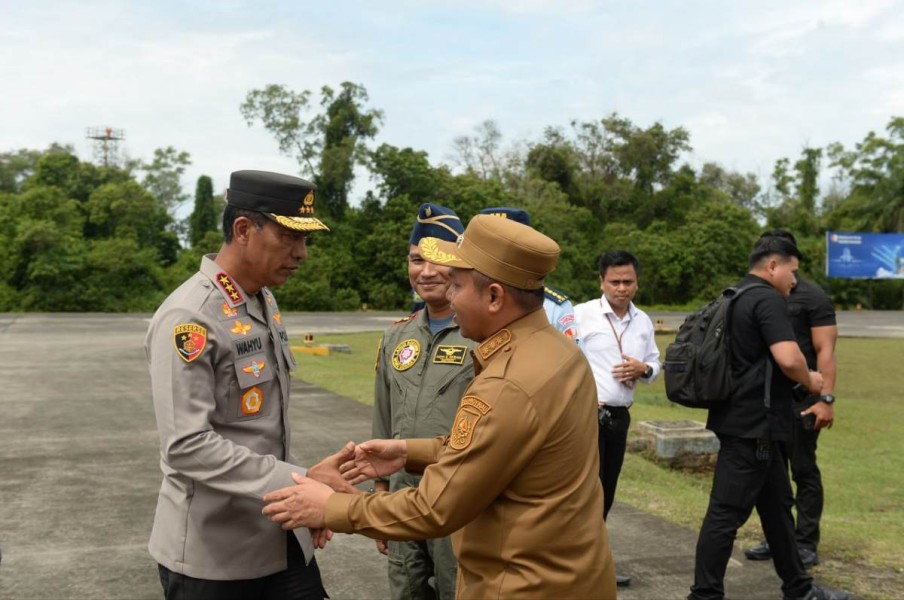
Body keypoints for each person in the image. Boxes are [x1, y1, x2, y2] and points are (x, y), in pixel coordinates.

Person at [263, 214, 617, 599]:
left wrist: (332, 506)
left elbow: (435, 507)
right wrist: (407, 452)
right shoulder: (556, 350)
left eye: (458, 285)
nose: (449, 297)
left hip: (521, 584)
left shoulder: (507, 382)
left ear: (495, 296)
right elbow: (501, 449)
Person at [146, 170, 354, 600]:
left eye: (305, 241)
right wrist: (302, 480)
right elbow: (187, 445)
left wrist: (303, 498)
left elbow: (262, 426)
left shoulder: (261, 299)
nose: (301, 254)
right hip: (216, 556)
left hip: (280, 536)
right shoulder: (192, 317)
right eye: (288, 238)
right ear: (244, 229)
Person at [688, 237, 849, 600]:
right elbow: (790, 359)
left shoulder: (735, 295)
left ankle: (799, 588)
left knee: (777, 512)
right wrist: (813, 380)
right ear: (773, 266)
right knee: (725, 516)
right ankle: (704, 595)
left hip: (755, 423)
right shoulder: (767, 299)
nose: (795, 280)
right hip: (753, 428)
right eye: (792, 271)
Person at [372, 203, 473, 600]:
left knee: (459, 588)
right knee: (406, 589)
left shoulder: (480, 335)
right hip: (402, 493)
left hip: (460, 493)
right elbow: (382, 417)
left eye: (438, 260)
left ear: (461, 264)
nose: (426, 271)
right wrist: (378, 493)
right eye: (416, 260)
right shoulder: (397, 337)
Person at [745, 231, 838, 569]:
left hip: (802, 399)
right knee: (771, 475)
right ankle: (776, 537)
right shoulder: (757, 295)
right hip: (768, 402)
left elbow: (825, 351)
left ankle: (804, 541)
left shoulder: (812, 297)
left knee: (803, 470)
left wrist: (825, 398)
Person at [573, 250, 661, 588]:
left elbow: (655, 364)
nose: (622, 288)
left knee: (607, 492)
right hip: (585, 416)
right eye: (615, 281)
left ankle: (594, 563)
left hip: (619, 417)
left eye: (628, 282)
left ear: (637, 283)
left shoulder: (642, 321)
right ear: (602, 282)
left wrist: (644, 369)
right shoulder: (581, 315)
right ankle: (577, 565)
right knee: (582, 493)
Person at [478, 207, 581, 344]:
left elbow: (574, 361)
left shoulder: (554, 308)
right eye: (490, 245)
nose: (497, 254)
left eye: (507, 245)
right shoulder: (460, 298)